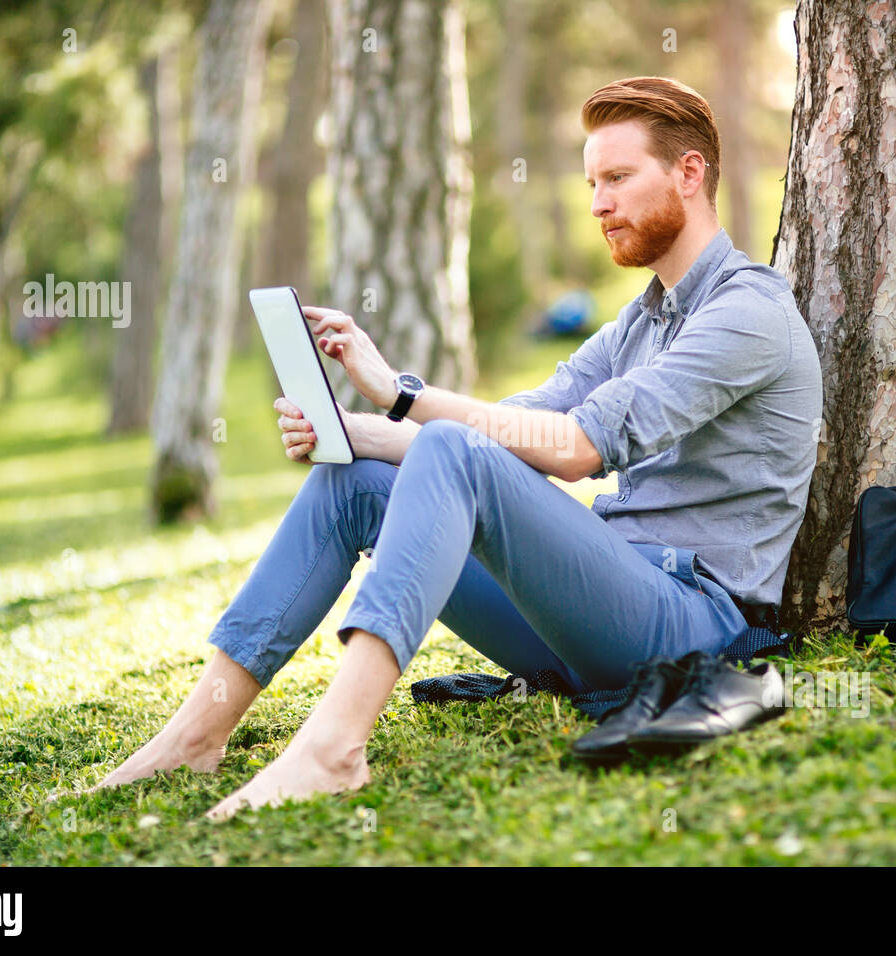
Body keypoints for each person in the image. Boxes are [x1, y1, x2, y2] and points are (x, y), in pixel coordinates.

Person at [89, 76, 823, 821]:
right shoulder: (638, 325)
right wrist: (358, 435)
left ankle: (334, 748)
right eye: (592, 182)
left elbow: (571, 447)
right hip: (590, 614)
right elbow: (513, 422)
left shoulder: (748, 312)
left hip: (687, 629)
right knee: (357, 483)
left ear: (690, 173)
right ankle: (195, 735)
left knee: (446, 447)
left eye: (618, 178)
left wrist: (400, 396)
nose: (598, 203)